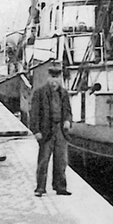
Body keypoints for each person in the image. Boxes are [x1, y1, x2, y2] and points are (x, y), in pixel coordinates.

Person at [29, 63, 72, 197]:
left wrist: (67, 121)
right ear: (48, 78)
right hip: (46, 131)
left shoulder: (64, 94)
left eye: (57, 78)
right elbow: (34, 114)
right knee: (43, 161)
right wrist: (36, 131)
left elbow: (68, 111)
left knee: (61, 161)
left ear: (60, 79)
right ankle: (40, 188)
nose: (54, 81)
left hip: (60, 132)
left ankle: (60, 187)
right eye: (52, 78)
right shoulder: (39, 93)